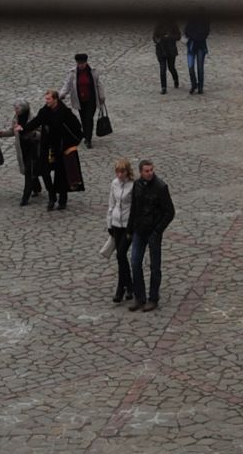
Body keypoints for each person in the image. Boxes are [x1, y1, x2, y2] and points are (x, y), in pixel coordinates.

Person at [23, 89, 83, 211]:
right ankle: (52, 195)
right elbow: (36, 122)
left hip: (61, 147)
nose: (46, 101)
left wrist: (71, 143)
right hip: (47, 147)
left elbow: (76, 126)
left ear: (55, 99)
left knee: (61, 174)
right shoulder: (44, 111)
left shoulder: (65, 112)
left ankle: (62, 199)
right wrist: (23, 128)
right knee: (45, 172)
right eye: (46, 99)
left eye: (48, 99)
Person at [128, 159, 176, 313]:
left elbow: (170, 212)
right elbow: (134, 208)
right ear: (141, 172)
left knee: (155, 266)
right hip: (139, 230)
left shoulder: (161, 187)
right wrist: (130, 229)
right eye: (146, 171)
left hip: (153, 231)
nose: (150, 173)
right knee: (135, 263)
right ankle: (139, 297)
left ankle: (153, 298)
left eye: (151, 170)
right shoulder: (137, 185)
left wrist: (158, 231)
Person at [62, 53, 106, 148]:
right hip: (80, 100)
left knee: (89, 118)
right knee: (83, 118)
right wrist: (61, 94)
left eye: (82, 63)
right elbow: (67, 85)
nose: (81, 65)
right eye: (79, 63)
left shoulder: (93, 71)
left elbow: (99, 84)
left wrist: (101, 96)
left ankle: (88, 139)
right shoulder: (72, 73)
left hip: (91, 99)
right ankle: (86, 135)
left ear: (86, 62)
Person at [10, 100, 50, 204]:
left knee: (28, 171)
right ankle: (36, 187)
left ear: (23, 108)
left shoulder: (32, 118)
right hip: (22, 149)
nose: (15, 110)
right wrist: (2, 133)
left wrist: (32, 135)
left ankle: (25, 196)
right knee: (32, 170)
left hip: (33, 148)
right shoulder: (16, 118)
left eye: (17, 108)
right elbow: (12, 130)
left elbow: (41, 133)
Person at [107, 159, 136, 305]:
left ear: (127, 172)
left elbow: (135, 207)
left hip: (128, 226)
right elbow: (111, 204)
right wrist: (109, 223)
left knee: (120, 254)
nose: (119, 174)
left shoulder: (133, 186)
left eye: (122, 171)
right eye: (117, 171)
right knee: (120, 257)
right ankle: (128, 285)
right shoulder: (114, 184)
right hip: (116, 224)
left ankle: (121, 288)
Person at [153, 19, 181, 93]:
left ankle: (175, 79)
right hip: (161, 50)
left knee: (171, 67)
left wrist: (170, 37)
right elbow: (154, 37)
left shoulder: (173, 25)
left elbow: (178, 36)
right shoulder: (159, 25)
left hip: (171, 50)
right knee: (163, 68)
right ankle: (163, 87)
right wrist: (159, 40)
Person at [184, 17, 210, 94]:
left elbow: (205, 33)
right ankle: (194, 84)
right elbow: (186, 31)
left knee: (200, 68)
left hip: (200, 47)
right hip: (191, 46)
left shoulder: (205, 22)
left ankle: (200, 87)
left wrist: (194, 36)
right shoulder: (190, 21)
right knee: (190, 67)